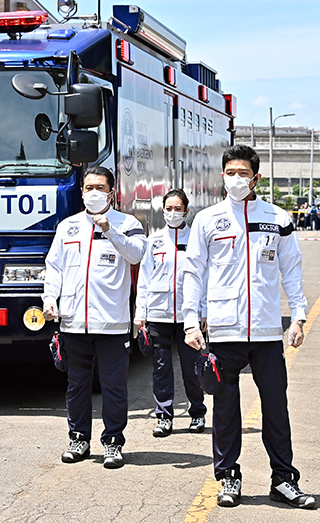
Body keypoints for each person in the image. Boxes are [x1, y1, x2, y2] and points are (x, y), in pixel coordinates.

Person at [182, 144, 315, 509]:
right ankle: (228, 477)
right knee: (225, 409)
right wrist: (191, 321)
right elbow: (193, 272)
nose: (236, 179)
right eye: (230, 173)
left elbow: (291, 271)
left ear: (256, 177)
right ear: (222, 176)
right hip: (225, 331)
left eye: (243, 173)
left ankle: (284, 479)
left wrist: (299, 316)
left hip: (268, 331)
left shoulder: (278, 218)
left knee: (276, 406)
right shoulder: (208, 220)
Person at [42, 166, 146, 469]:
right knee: (77, 384)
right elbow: (55, 267)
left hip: (112, 323)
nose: (94, 193)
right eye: (89, 188)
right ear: (82, 191)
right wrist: (50, 299)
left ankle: (113, 442)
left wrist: (110, 231)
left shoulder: (127, 223)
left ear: (112, 192)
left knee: (114, 386)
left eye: (100, 187)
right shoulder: (68, 226)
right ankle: (79, 438)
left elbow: (137, 255)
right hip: (73, 321)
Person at [134, 189, 207, 438]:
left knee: (192, 367)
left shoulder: (196, 240)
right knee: (161, 368)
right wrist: (140, 313)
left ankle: (197, 412)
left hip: (188, 316)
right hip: (158, 314)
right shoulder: (153, 241)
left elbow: (204, 277)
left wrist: (203, 310)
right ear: (162, 210)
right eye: (169, 208)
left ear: (187, 211)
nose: (173, 213)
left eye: (178, 208)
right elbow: (144, 279)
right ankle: (164, 416)